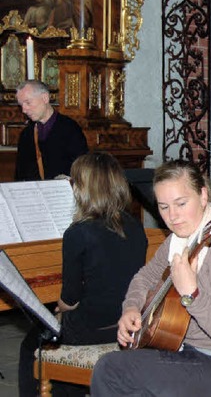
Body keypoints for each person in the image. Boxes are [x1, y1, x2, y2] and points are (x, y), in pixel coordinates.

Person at [91, 160, 211, 396]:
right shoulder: (177, 240)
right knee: (127, 368)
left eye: (181, 203)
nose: (172, 216)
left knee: (110, 370)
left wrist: (191, 293)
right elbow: (144, 278)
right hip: (186, 350)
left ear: (203, 196)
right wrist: (131, 308)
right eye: (163, 207)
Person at [19, 152, 148, 397]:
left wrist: (57, 310)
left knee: (32, 342)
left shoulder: (78, 232)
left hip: (93, 327)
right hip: (126, 323)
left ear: (83, 189)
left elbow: (70, 300)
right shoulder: (135, 226)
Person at [15, 80, 88, 181]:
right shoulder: (26, 135)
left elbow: (82, 169)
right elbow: (20, 175)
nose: (24, 110)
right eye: (21, 105)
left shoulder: (69, 129)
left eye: (28, 102)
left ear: (45, 98)